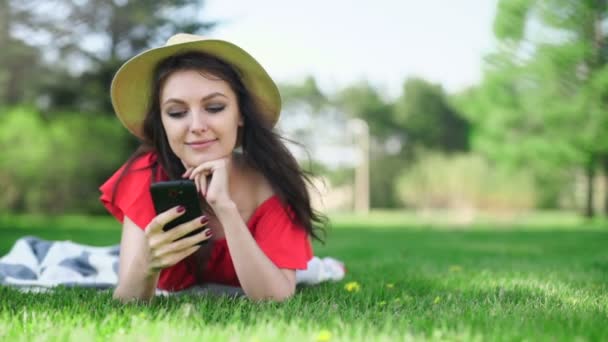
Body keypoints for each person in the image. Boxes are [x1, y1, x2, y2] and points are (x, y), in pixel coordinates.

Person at [99, 33, 327, 302]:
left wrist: (225, 208)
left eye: (215, 107)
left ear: (240, 113)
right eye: (176, 112)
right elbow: (125, 302)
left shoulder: (273, 186)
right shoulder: (146, 175)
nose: (196, 125)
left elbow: (276, 300)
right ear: (162, 122)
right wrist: (146, 264)